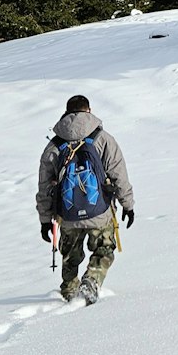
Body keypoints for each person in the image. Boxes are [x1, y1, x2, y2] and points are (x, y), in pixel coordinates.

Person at [37, 94, 135, 304]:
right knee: (104, 248)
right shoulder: (103, 138)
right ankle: (92, 279)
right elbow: (119, 173)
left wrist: (45, 220)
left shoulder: (54, 145)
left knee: (70, 256)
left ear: (67, 112)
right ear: (88, 110)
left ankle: (69, 293)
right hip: (100, 212)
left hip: (68, 214)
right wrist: (127, 205)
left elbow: (44, 187)